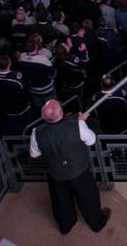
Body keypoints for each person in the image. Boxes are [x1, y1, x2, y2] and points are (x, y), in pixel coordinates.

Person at [29, 99, 111, 235]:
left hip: (55, 174)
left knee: (61, 202)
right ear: (61, 111)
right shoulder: (77, 125)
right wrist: (81, 122)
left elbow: (34, 154)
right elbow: (91, 140)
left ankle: (65, 225)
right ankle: (96, 223)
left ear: (43, 117)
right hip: (80, 172)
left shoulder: (36, 132)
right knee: (88, 199)